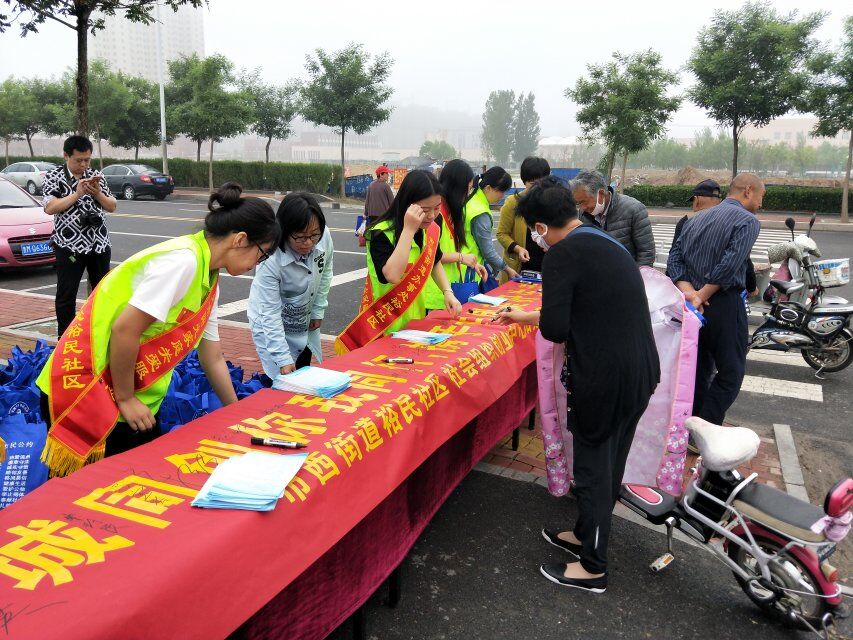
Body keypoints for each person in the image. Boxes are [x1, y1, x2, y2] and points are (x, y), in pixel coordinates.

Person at [36, 182, 280, 476]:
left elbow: (212, 356)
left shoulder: (209, 278)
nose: (257, 264)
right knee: (88, 491)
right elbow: (125, 329)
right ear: (240, 239)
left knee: (131, 484)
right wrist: (126, 399)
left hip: (127, 394)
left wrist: (237, 414)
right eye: (262, 254)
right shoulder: (184, 262)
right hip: (90, 387)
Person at [494, 177, 660, 593]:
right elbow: (587, 308)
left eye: (535, 231)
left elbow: (556, 327)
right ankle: (586, 534)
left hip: (604, 379)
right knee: (610, 463)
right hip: (639, 371)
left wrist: (540, 317)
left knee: (593, 471)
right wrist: (522, 316)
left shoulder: (563, 254)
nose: (537, 239)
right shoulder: (601, 240)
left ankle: (593, 566)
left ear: (540, 227)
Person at [667, 173, 762, 427]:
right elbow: (730, 264)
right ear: (748, 190)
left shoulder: (695, 220)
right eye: (761, 196)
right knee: (731, 373)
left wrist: (690, 293)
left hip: (692, 307)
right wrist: (701, 295)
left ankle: (690, 428)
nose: (761, 203)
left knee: (698, 371)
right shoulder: (748, 221)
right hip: (723, 304)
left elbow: (674, 259)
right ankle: (704, 428)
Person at [335, 170, 463, 353]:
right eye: (425, 210)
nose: (432, 215)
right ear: (407, 204)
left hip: (415, 324)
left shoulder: (431, 229)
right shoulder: (380, 233)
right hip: (384, 324)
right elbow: (392, 275)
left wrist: (447, 292)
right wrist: (409, 230)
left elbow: (434, 260)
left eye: (437, 208)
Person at [248, 193, 333, 381]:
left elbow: (326, 269)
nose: (309, 242)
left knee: (303, 370)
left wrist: (318, 310)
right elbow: (269, 313)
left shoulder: (323, 235)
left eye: (314, 235)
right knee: (280, 379)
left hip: (303, 321)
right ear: (284, 231)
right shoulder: (270, 260)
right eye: (300, 237)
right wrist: (282, 358)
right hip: (272, 325)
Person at [42, 135, 117, 336]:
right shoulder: (54, 176)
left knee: (102, 293)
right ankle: (66, 339)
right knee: (66, 294)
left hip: (99, 244)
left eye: (87, 160)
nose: (83, 165)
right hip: (69, 246)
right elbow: (50, 207)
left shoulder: (95, 175)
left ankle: (100, 335)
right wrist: (77, 194)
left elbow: (112, 206)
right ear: (66, 156)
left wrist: (97, 193)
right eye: (78, 160)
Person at [669, 179, 757, 297]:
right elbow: (739, 260)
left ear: (697, 200)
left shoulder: (688, 220)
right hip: (723, 296)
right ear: (720, 200)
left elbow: (675, 259)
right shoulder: (734, 220)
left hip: (689, 292)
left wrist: (691, 293)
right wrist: (752, 287)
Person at [422, 159, 488, 310]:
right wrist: (461, 257)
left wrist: (472, 263)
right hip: (434, 295)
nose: (468, 194)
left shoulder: (451, 210)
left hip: (448, 292)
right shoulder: (436, 215)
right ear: (457, 187)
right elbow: (430, 255)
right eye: (468, 189)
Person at [572, 169, 655, 266]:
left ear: (601, 194)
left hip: (627, 272)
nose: (582, 207)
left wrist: (635, 274)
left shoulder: (634, 209)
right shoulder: (584, 214)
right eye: (578, 203)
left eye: (584, 202)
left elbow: (647, 253)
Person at [496, 156, 551, 282]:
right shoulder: (513, 202)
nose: (537, 187)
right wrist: (518, 249)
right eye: (532, 184)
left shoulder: (553, 201)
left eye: (541, 183)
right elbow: (502, 234)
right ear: (524, 181)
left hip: (548, 265)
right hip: (520, 267)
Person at [463, 166, 515, 281]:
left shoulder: (472, 198)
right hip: (469, 271)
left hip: (463, 263)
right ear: (488, 188)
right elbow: (487, 251)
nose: (502, 195)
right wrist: (507, 269)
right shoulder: (480, 213)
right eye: (501, 191)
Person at [361, 166, 395, 238]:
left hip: (372, 215)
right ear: (381, 174)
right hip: (383, 215)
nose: (388, 175)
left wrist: (365, 213)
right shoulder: (386, 186)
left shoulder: (371, 185)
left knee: (373, 233)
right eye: (386, 173)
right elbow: (392, 202)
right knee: (382, 234)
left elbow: (367, 201)